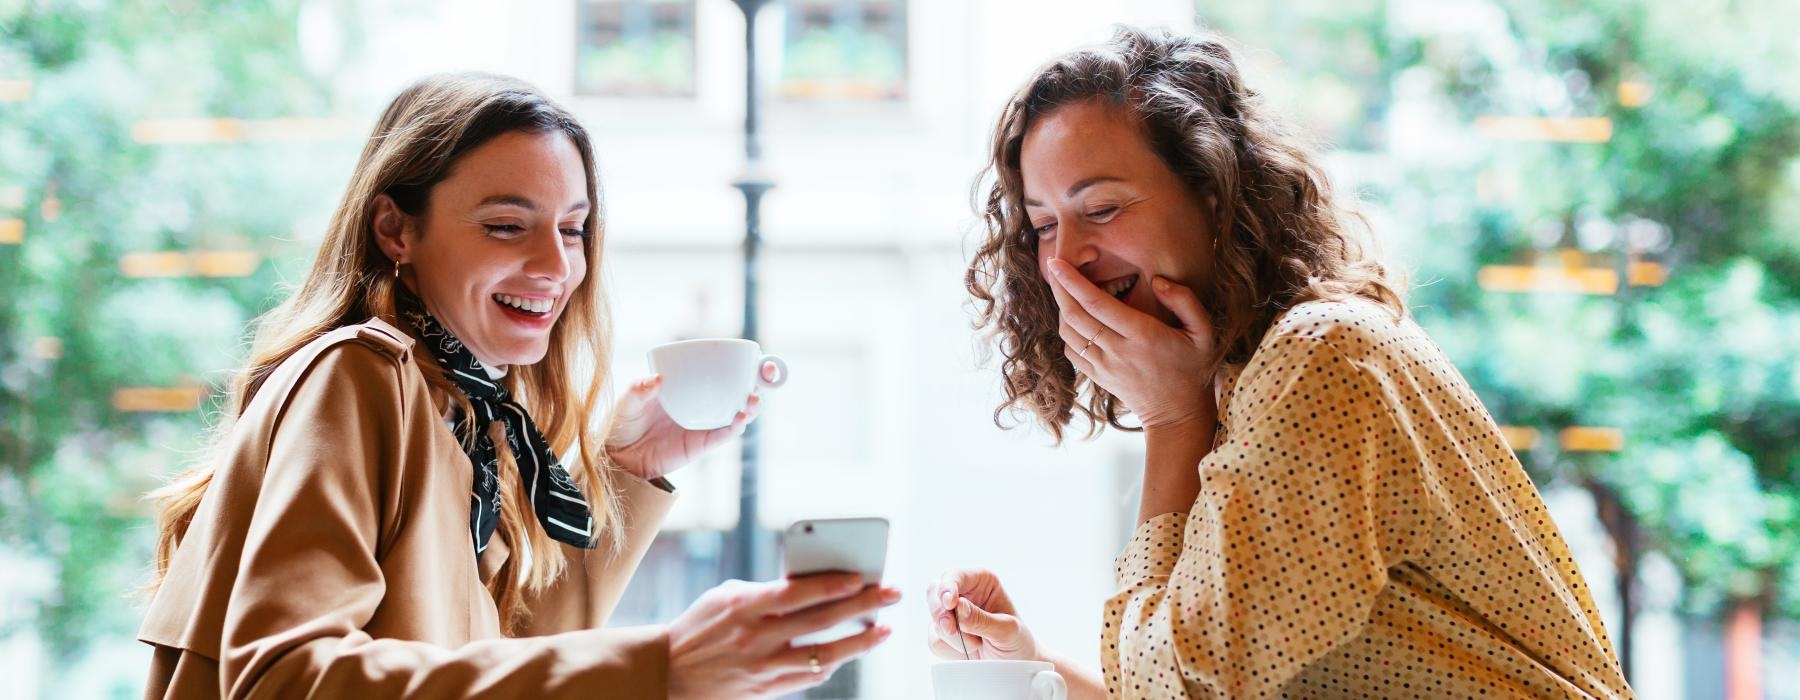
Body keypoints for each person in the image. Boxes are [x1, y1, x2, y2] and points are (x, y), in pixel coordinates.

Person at [139, 73, 897, 699]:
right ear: (395, 230)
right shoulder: (360, 376)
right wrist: (660, 664)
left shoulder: (469, 412)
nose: (557, 265)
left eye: (573, 229)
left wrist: (629, 467)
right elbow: (281, 679)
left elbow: (503, 655)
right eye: (508, 226)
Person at [927, 27, 1633, 699]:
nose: (1063, 258)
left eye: (1103, 208)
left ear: (1212, 191)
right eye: (1044, 224)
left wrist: (1172, 419)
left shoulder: (1320, 359)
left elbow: (1192, 688)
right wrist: (1028, 671)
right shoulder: (1244, 384)